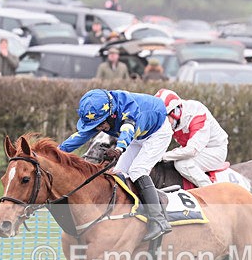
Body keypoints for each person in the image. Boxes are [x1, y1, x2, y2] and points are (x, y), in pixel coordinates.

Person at [59, 89, 172, 241]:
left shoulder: (128, 108)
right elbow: (79, 138)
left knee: (138, 171)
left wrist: (119, 149)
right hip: (138, 136)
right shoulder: (103, 112)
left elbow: (127, 129)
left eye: (100, 124)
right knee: (118, 173)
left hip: (157, 132)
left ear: (112, 114)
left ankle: (159, 221)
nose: (99, 128)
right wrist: (52, 152)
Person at [155, 88, 229, 188]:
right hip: (195, 148)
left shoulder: (198, 115)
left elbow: (192, 150)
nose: (162, 123)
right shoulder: (175, 117)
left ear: (175, 112)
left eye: (164, 118)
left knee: (182, 164)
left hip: (214, 151)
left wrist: (163, 156)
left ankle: (210, 190)